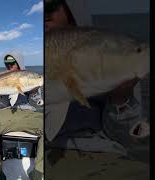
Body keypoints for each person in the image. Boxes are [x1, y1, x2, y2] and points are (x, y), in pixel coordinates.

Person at [45, 0, 149, 179]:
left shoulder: (118, 63)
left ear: (73, 11)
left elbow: (132, 142)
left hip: (95, 156)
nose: (43, 14)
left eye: (50, 6)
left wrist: (121, 100)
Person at [0, 51, 44, 180]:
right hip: (7, 113)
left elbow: (38, 102)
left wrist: (35, 90)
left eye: (12, 63)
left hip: (28, 113)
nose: (10, 66)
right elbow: (5, 104)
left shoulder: (30, 76)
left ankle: (38, 171)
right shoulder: (3, 79)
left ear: (19, 63)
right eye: (7, 64)